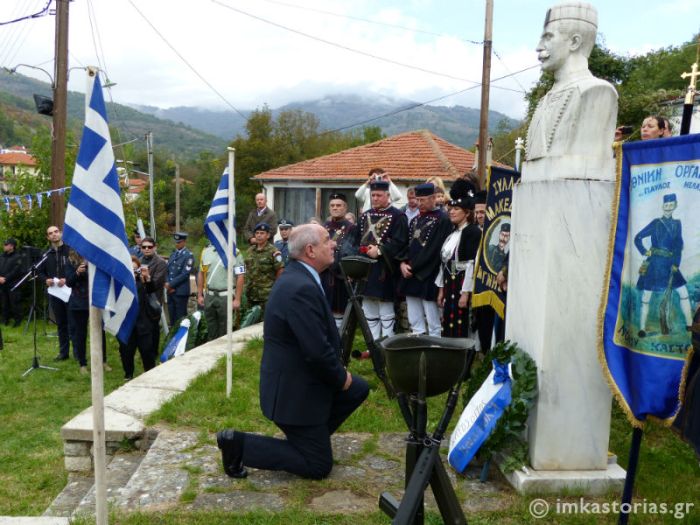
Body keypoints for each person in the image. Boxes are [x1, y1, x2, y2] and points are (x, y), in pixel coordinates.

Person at [216, 224, 369, 479]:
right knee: (318, 466)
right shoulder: (300, 287)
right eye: (327, 240)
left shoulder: (301, 276)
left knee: (359, 388)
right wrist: (341, 377)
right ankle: (239, 445)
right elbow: (316, 351)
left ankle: (310, 439)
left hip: (303, 380)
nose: (334, 244)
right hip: (293, 395)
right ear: (310, 250)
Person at [525, 2, 617, 174]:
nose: (539, 47)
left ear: (574, 42)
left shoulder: (597, 91)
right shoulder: (544, 101)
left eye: (548, 37)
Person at [353, 179, 408, 339]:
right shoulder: (365, 216)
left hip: (385, 269)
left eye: (379, 195)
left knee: (385, 309)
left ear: (387, 195)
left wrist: (380, 251)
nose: (375, 198)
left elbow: (401, 242)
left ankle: (386, 343)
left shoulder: (398, 216)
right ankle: (373, 344)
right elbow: (356, 239)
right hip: (365, 268)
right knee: (369, 307)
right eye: (373, 195)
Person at [634, 193, 694, 337]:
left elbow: (678, 246)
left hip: (669, 264)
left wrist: (676, 264)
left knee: (683, 292)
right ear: (662, 206)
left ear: (675, 206)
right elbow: (638, 237)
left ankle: (690, 325)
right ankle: (642, 329)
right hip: (654, 263)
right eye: (666, 205)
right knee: (646, 296)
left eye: (671, 205)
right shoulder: (655, 223)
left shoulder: (677, 224)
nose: (668, 208)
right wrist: (644, 251)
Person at [398, 183, 452, 336]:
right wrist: (403, 263)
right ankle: (418, 341)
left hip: (429, 273)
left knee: (433, 319)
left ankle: (435, 345)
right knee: (414, 317)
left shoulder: (443, 220)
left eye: (422, 200)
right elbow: (407, 244)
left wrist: (413, 267)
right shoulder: (415, 219)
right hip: (410, 272)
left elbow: (434, 249)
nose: (419, 203)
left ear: (433, 198)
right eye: (417, 200)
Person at [436, 180, 482, 338]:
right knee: (447, 325)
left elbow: (470, 265)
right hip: (449, 285)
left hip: (461, 285)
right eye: (450, 209)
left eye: (456, 209)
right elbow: (445, 264)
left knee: (460, 326)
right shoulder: (452, 233)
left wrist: (465, 293)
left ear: (467, 213)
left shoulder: (472, 232)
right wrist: (441, 290)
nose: (451, 212)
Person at [65, 250, 110, 374]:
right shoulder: (71, 260)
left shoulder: (96, 257)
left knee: (100, 332)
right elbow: (69, 282)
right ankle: (82, 364)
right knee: (80, 333)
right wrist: (77, 272)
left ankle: (103, 361)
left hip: (96, 300)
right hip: (79, 302)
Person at [119, 255, 157, 380]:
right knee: (126, 351)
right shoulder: (121, 282)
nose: (133, 272)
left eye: (136, 269)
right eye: (131, 269)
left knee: (147, 350)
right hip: (127, 324)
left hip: (143, 323)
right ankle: (128, 374)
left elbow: (152, 290)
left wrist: (147, 277)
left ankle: (150, 373)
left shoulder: (143, 282)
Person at [197, 243, 245, 340]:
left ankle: (223, 349)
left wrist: (237, 299)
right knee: (211, 328)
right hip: (209, 296)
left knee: (225, 330)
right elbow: (201, 273)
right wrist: (199, 295)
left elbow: (240, 276)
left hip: (225, 297)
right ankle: (212, 347)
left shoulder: (235, 252)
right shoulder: (206, 251)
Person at [39, 225, 72, 361]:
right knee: (61, 324)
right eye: (50, 233)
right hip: (55, 293)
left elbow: (78, 269)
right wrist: (46, 280)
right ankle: (63, 353)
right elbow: (40, 272)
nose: (54, 234)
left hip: (71, 291)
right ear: (48, 237)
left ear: (61, 233)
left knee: (74, 323)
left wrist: (67, 279)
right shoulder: (46, 254)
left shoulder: (70, 250)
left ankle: (78, 353)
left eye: (56, 232)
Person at [322, 193, 355, 327]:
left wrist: (350, 271)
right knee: (324, 309)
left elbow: (354, 251)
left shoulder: (351, 228)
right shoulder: (324, 226)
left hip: (341, 275)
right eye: (332, 205)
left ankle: (339, 337)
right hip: (324, 273)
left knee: (339, 312)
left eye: (338, 205)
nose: (335, 208)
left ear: (345, 207)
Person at [245, 223, 284, 314]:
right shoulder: (250, 251)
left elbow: (280, 270)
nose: (259, 235)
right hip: (251, 294)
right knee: (250, 320)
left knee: (265, 320)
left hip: (266, 295)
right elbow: (246, 269)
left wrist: (275, 289)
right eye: (257, 233)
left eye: (262, 233)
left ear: (268, 235)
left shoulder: (274, 251)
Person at [139, 237, 167, 352]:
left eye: (149, 247)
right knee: (142, 327)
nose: (147, 249)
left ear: (154, 248)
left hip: (153, 300)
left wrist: (145, 278)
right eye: (144, 247)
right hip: (140, 299)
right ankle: (144, 350)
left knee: (153, 328)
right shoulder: (138, 261)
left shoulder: (161, 263)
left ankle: (154, 352)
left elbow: (156, 283)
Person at [165, 231, 194, 324]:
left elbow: (185, 274)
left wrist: (171, 285)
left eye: (179, 242)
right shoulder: (173, 255)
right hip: (170, 292)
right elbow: (167, 271)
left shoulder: (188, 256)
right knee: (172, 319)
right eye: (176, 242)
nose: (177, 244)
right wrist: (167, 283)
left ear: (184, 242)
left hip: (180, 292)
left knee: (180, 319)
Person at [0, 238, 24, 326]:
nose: (4, 246)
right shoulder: (1, 256)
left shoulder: (18, 257)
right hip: (2, 284)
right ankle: (5, 320)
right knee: (4, 303)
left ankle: (18, 321)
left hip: (13, 284)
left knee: (15, 303)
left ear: (12, 246)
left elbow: (16, 271)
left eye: (6, 245)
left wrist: (5, 278)